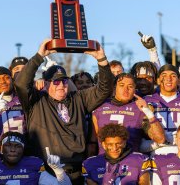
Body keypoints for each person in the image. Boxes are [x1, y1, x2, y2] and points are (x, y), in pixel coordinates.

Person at [14, 39, 113, 183]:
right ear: (46, 83)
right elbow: (21, 84)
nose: (61, 85)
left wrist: (102, 60)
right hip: (46, 172)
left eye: (64, 81)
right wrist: (39, 56)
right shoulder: (35, 101)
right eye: (56, 81)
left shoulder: (78, 98)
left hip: (76, 169)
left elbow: (104, 89)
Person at [92, 73, 165, 153]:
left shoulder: (139, 109)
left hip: (131, 161)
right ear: (114, 88)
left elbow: (160, 139)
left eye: (130, 86)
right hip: (104, 160)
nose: (126, 89)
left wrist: (148, 112)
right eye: (121, 85)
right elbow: (92, 142)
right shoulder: (100, 107)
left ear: (135, 90)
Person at [142, 64, 180, 154]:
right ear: (158, 80)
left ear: (179, 80)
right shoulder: (147, 99)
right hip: (156, 149)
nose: (168, 79)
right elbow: (144, 132)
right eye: (164, 76)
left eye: (173, 76)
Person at [0, 131, 71, 185]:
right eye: (8, 145)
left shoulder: (33, 164)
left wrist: (58, 170)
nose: (13, 149)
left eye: (18, 146)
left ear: (23, 150)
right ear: (1, 149)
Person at [82, 123, 151, 185]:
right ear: (103, 145)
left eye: (118, 144)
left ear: (124, 143)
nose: (114, 148)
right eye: (110, 144)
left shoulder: (140, 160)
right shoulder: (90, 163)